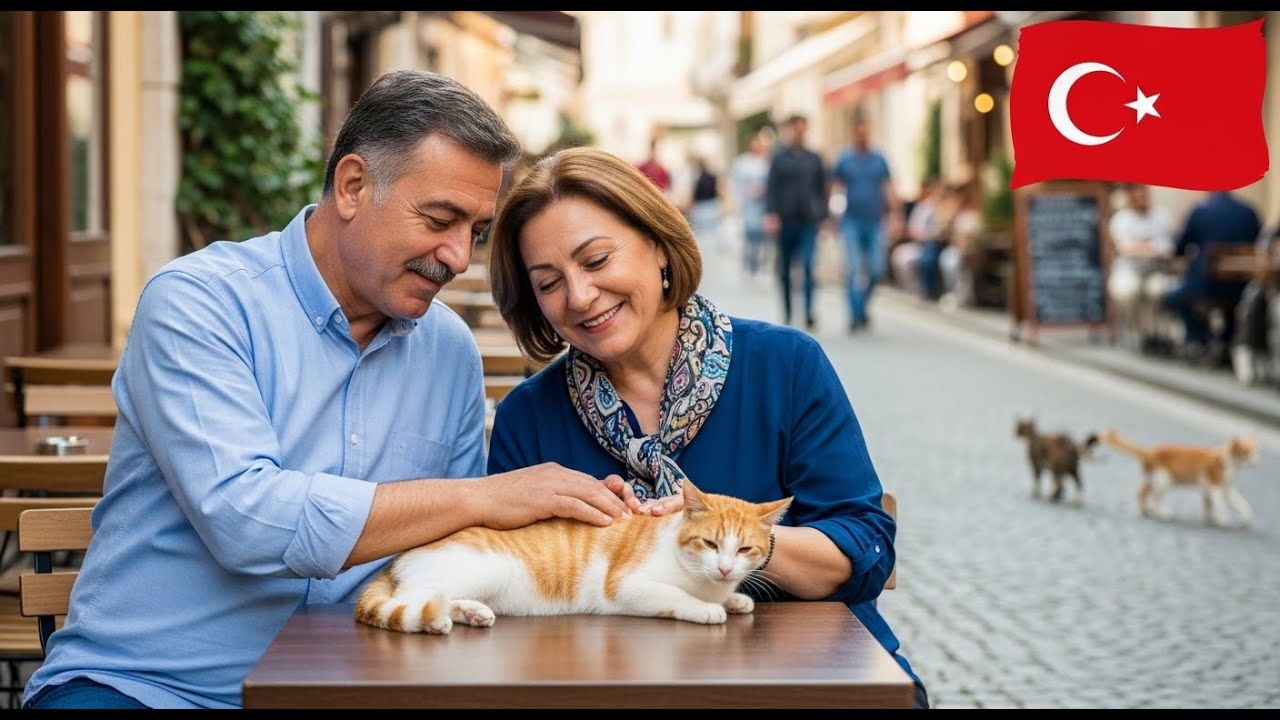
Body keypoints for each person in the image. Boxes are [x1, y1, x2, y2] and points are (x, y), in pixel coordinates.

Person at [22, 70, 637, 710]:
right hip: (150, 688)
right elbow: (245, 519)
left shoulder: (449, 350)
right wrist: (481, 497)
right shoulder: (199, 303)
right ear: (352, 186)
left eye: (476, 232)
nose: (458, 257)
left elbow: (448, 549)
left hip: (354, 690)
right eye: (440, 219)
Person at [483, 146, 929, 709]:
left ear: (658, 246)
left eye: (596, 261)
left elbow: (865, 548)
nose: (579, 296)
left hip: (796, 684)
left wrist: (740, 543)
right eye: (548, 283)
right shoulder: (530, 417)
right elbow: (508, 591)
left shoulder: (784, 366)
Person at [1161, 191, 1261, 364]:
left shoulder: (1200, 211)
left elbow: (1179, 248)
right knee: (1231, 307)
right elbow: (1258, 244)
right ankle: (1225, 340)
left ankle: (1202, 338)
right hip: (1242, 285)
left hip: (1207, 286)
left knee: (1170, 299)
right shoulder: (1249, 211)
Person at [830, 114, 903, 332]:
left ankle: (861, 306)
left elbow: (889, 188)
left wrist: (896, 214)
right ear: (853, 132)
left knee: (876, 269)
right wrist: (832, 215)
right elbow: (834, 188)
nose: (863, 135)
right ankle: (855, 315)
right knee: (852, 269)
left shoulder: (879, 159)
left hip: (874, 221)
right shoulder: (844, 159)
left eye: (866, 130)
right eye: (859, 130)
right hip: (851, 221)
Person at [765, 114, 828, 331]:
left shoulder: (814, 158)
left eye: (802, 129)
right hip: (785, 221)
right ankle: (788, 310)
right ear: (789, 130)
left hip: (808, 221)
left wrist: (824, 217)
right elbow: (771, 187)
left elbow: (822, 189)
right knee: (784, 268)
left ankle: (809, 312)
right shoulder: (779, 158)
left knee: (809, 265)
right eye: (795, 129)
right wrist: (771, 214)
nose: (799, 133)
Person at [1106, 184, 1176, 351]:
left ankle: (1157, 333)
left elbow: (1169, 247)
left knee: (1160, 290)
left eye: (1144, 194)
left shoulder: (1162, 216)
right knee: (1128, 290)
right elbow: (1125, 248)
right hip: (1128, 269)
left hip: (1157, 269)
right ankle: (1137, 331)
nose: (1141, 198)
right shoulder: (1122, 219)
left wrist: (1143, 248)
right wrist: (1150, 248)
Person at [729, 129, 772, 277]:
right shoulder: (742, 162)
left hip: (763, 207)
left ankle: (759, 265)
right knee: (749, 235)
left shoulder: (767, 162)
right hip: (747, 206)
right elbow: (735, 183)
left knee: (762, 237)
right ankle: (748, 265)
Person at [686, 155, 724, 253]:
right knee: (715, 232)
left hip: (702, 207)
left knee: (700, 233)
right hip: (712, 205)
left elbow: (693, 195)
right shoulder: (713, 177)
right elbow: (719, 191)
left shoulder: (697, 179)